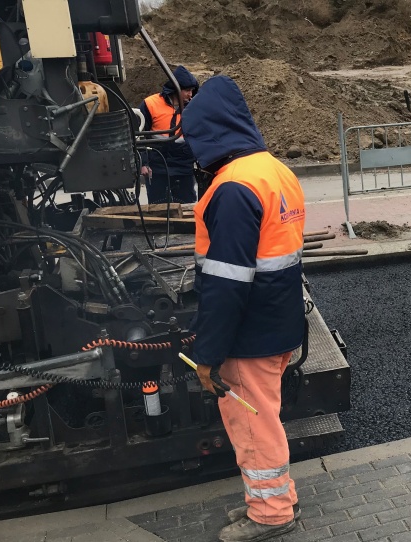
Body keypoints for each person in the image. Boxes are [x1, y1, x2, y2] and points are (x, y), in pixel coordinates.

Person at [182, 75, 307, 542]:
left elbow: (226, 284)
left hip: (249, 334)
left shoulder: (232, 188)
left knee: (252, 427)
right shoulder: (274, 171)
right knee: (266, 419)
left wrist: (208, 353)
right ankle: (279, 497)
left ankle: (271, 515)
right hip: (278, 321)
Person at [139, 65, 200, 204]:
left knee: (187, 206)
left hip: (183, 166)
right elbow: (140, 136)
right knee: (157, 209)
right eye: (187, 90)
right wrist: (143, 163)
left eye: (192, 91)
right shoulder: (150, 104)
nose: (190, 95)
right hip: (157, 166)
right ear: (176, 89)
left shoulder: (193, 107)